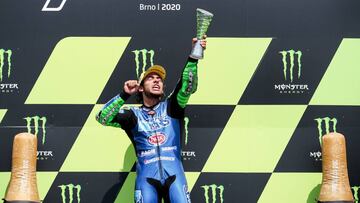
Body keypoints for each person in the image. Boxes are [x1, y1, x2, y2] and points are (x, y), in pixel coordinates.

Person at [96, 36, 207, 203]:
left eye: (159, 79)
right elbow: (102, 118)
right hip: (146, 181)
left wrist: (194, 55)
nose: (157, 80)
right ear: (140, 87)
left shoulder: (172, 107)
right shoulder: (132, 116)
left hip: (175, 177)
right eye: (150, 78)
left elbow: (187, 86)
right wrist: (124, 94)